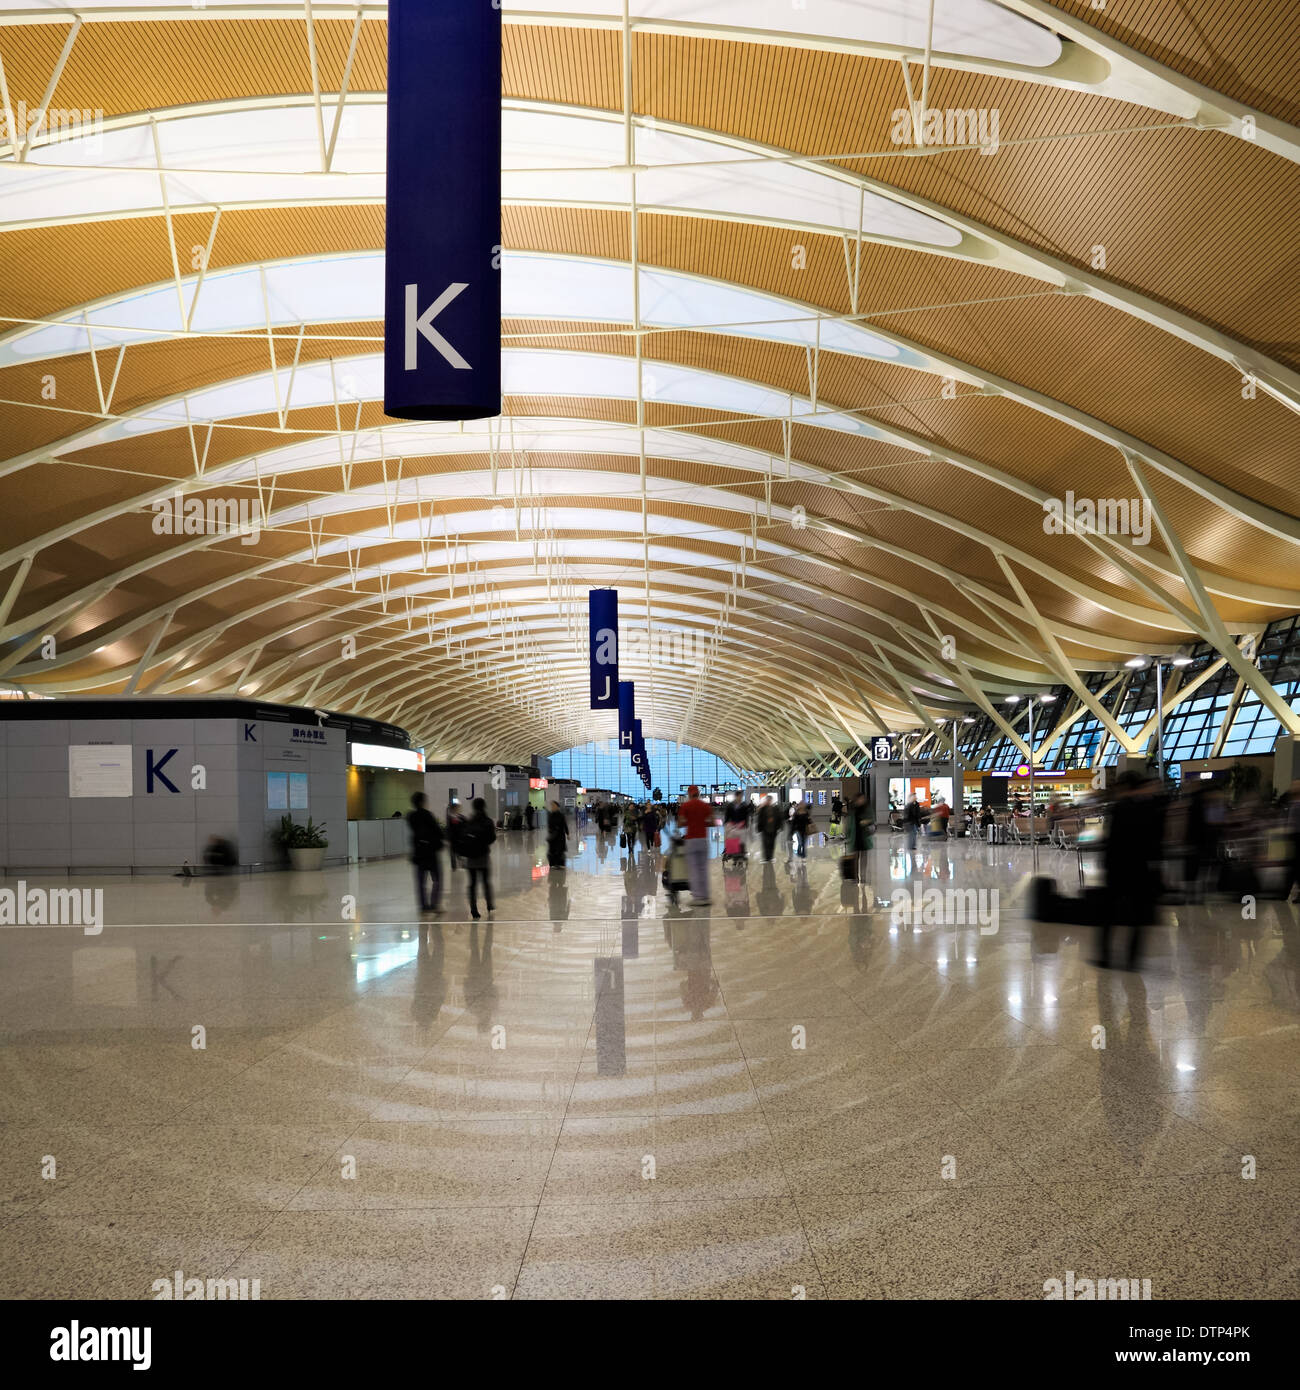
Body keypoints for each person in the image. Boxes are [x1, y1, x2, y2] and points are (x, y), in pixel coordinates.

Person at [1095, 772, 1165, 970]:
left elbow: (1111, 842)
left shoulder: (1118, 808)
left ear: (1124, 787)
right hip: (1140, 870)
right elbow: (1155, 842)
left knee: (1108, 914)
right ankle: (1132, 959)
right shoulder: (1150, 809)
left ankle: (1105, 956)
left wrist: (1105, 865)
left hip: (1117, 869)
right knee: (1138, 917)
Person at [456, 796, 497, 919]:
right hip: (483, 856)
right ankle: (489, 904)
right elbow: (492, 838)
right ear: (484, 806)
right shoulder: (488, 821)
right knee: (486, 882)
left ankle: (474, 909)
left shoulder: (470, 821)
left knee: (472, 884)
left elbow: (463, 838)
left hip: (471, 858)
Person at [406, 791, 443, 914]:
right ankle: (434, 904)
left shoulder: (410, 816)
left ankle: (423, 906)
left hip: (418, 852)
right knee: (437, 879)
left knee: (421, 882)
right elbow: (437, 831)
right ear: (422, 802)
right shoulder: (428, 815)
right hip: (431, 852)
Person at [678, 784, 713, 904]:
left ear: (689, 794)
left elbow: (681, 823)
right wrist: (702, 823)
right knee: (703, 869)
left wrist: (690, 822)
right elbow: (712, 822)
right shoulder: (705, 806)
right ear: (698, 793)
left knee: (693, 869)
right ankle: (706, 895)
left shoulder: (685, 806)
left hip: (691, 840)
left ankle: (698, 897)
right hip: (703, 840)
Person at [756, 794, 783, 862]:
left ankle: (770, 857)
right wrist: (759, 827)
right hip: (765, 829)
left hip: (773, 829)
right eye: (767, 800)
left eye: (769, 800)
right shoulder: (762, 809)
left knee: (772, 843)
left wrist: (780, 826)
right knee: (765, 843)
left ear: (771, 800)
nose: (768, 801)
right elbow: (759, 818)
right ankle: (766, 857)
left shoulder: (775, 808)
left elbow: (779, 818)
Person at [546, 799, 568, 869]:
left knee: (559, 851)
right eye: (552, 806)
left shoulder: (561, 815)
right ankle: (553, 864)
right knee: (552, 850)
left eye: (554, 805)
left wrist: (568, 833)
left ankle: (560, 864)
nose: (552, 807)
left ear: (557, 807)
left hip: (560, 836)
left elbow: (564, 824)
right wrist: (550, 832)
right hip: (553, 836)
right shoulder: (550, 815)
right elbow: (549, 825)